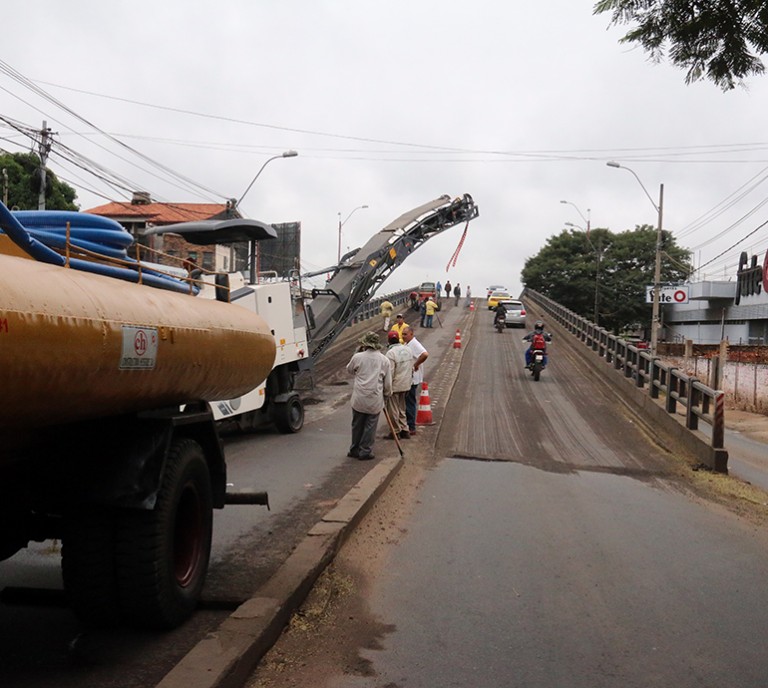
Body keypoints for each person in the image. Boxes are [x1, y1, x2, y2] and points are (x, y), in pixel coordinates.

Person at [346, 332, 392, 460]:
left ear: (365, 344)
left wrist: (357, 352)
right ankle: (365, 451)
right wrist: (386, 396)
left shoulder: (357, 357)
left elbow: (349, 370)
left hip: (359, 397)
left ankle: (354, 449)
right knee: (370, 426)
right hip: (374, 398)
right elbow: (387, 384)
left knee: (357, 425)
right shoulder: (384, 360)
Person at [384, 330, 412, 440]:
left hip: (395, 385)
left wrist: (386, 388)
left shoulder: (390, 353)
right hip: (406, 384)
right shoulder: (408, 349)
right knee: (402, 408)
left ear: (389, 340)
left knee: (393, 410)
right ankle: (405, 429)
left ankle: (395, 431)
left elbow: (389, 372)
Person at [402, 326, 428, 435]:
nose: (403, 336)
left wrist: (416, 365)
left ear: (411, 334)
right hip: (408, 377)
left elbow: (425, 354)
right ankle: (407, 424)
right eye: (402, 334)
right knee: (406, 402)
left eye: (405, 334)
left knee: (410, 402)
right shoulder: (407, 344)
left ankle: (411, 426)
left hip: (413, 378)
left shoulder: (414, 344)